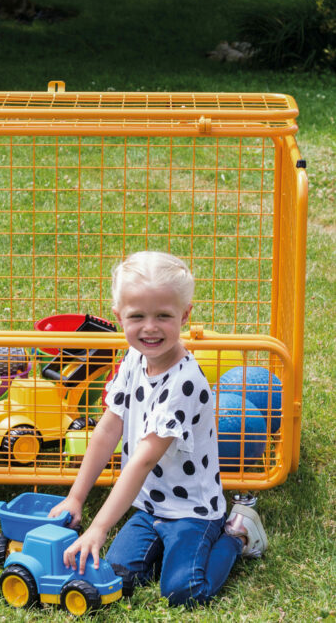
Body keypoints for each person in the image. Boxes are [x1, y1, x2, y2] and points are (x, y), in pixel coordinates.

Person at [49, 251, 267, 607]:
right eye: (137, 317)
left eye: (163, 316)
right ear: (119, 317)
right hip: (149, 506)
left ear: (185, 314)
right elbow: (108, 427)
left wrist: (99, 528)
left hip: (193, 511)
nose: (150, 328)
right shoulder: (134, 358)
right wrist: (76, 496)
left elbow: (142, 462)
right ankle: (165, 552)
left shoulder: (184, 383)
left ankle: (237, 533)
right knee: (117, 577)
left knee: (183, 592)